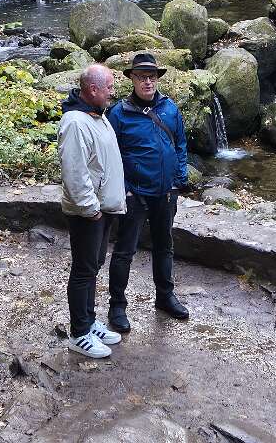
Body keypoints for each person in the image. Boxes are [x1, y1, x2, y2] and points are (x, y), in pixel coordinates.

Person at [107, 51, 190, 333]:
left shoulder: (169, 108)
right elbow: (111, 157)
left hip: (166, 192)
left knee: (164, 246)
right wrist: (125, 190)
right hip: (136, 195)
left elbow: (180, 144)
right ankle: (117, 306)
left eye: (152, 76)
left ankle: (165, 296)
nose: (147, 82)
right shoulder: (119, 114)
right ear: (132, 79)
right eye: (142, 77)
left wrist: (179, 178)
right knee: (124, 251)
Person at [58, 63, 126, 358]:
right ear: (94, 89)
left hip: (102, 209)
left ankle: (88, 322)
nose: (113, 92)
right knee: (83, 270)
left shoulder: (97, 115)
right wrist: (90, 210)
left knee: (92, 266)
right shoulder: (75, 122)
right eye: (109, 87)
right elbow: (75, 172)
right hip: (88, 213)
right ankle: (79, 334)